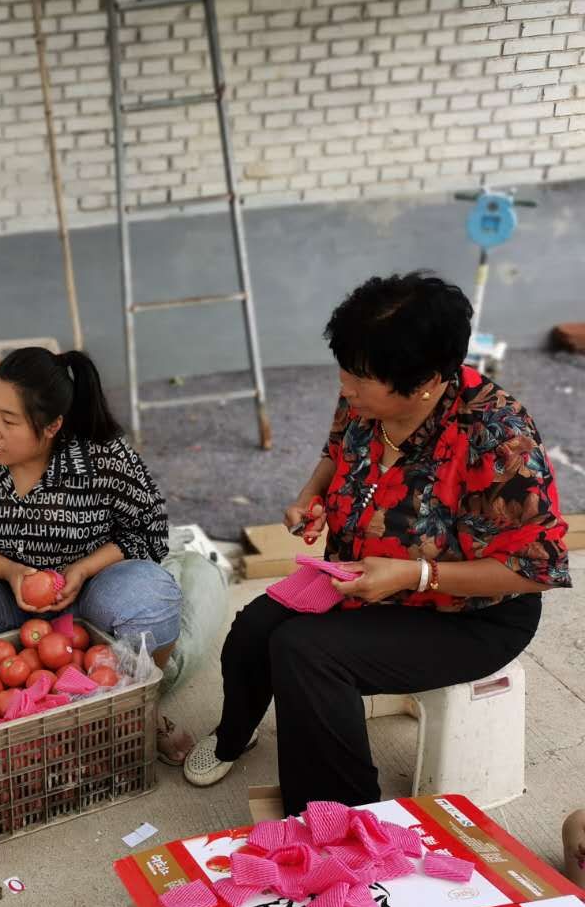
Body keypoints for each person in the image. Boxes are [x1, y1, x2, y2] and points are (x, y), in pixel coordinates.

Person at [185, 273, 570, 815]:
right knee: (254, 630)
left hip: (468, 614)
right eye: (344, 371)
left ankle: (343, 821)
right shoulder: (364, 396)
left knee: (306, 652)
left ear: (425, 382)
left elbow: (535, 570)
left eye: (360, 378)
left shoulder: (498, 436)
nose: (345, 387)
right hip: (362, 575)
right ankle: (234, 735)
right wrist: (311, 497)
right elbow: (336, 452)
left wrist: (416, 574)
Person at [0, 347, 190, 761]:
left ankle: (140, 708)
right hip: (2, 601)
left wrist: (83, 569)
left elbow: (148, 532)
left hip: (89, 604)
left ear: (53, 425)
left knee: (155, 599)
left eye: (9, 421)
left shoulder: (103, 456)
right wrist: (9, 571)